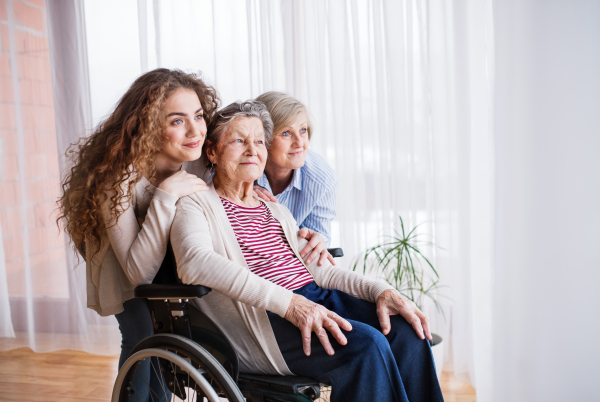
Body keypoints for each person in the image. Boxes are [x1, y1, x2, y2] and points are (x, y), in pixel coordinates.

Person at [171, 100, 444, 402]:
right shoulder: (196, 204)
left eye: (259, 141)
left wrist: (381, 290)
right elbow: (194, 263)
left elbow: (318, 270)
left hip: (313, 298)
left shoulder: (273, 209)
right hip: (269, 319)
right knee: (366, 346)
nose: (253, 150)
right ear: (212, 151)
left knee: (406, 329)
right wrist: (290, 304)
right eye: (238, 141)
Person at [57, 68, 218, 401]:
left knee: (167, 341)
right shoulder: (116, 179)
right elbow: (137, 273)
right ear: (147, 126)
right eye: (177, 121)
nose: (194, 130)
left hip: (169, 260)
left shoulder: (200, 159)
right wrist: (166, 194)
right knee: (141, 337)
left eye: (199, 116)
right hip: (122, 263)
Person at [254, 92, 337, 259]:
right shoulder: (239, 167)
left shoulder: (321, 179)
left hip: (292, 263)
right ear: (261, 138)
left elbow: (320, 237)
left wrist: (317, 240)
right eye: (286, 133)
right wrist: (234, 193)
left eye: (303, 130)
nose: (300, 143)